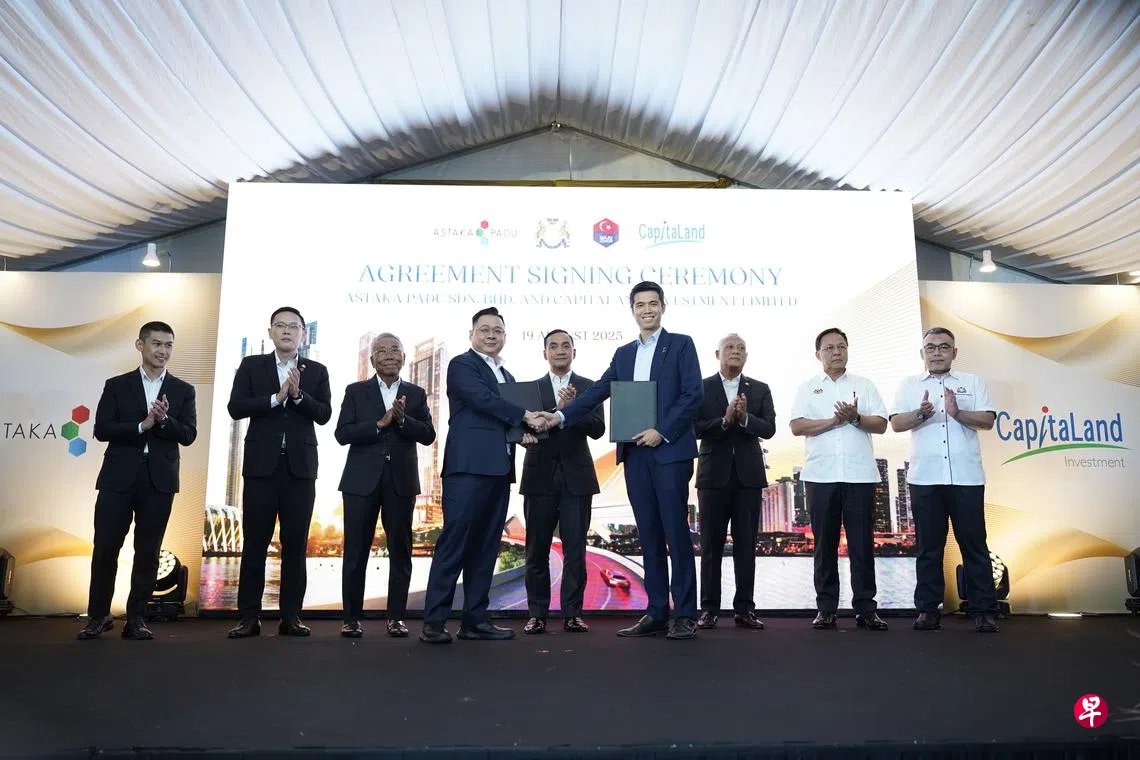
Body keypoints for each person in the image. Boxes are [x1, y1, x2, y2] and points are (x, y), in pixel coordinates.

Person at [538, 281, 703, 640]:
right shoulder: (624, 353)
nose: (647, 310)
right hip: (635, 453)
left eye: (653, 304)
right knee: (648, 534)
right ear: (633, 311)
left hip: (669, 451)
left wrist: (662, 431)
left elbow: (693, 395)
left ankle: (685, 614)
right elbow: (599, 390)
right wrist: (560, 416)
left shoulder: (681, 345)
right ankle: (656, 612)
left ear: (663, 307)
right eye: (640, 305)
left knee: (676, 533)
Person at [420, 307, 548, 644]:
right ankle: (434, 622)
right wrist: (525, 416)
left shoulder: (508, 375)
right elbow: (482, 400)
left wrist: (523, 434)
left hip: (499, 470)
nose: (491, 335)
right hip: (467, 468)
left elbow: (504, 422)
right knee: (455, 542)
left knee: (487, 547)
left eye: (497, 330)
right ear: (472, 334)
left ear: (505, 336)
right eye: (485, 329)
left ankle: (475, 621)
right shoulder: (462, 365)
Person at [78, 321, 197, 640]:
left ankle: (137, 619)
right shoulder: (117, 385)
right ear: (140, 345)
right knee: (105, 547)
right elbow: (102, 429)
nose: (163, 351)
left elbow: (188, 435)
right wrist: (142, 425)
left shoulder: (183, 390)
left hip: (159, 481)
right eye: (157, 343)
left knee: (148, 551)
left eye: (168, 345)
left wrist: (165, 420)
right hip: (118, 478)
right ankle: (98, 617)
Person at [226, 307, 332, 639]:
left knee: (295, 545)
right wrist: (276, 398)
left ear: (303, 334)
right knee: (254, 544)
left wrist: (298, 396)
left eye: (293, 326)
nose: (287, 331)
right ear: (270, 331)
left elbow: (324, 413)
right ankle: (248, 617)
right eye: (280, 325)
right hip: (261, 468)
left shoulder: (316, 371)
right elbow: (236, 407)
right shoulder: (251, 366)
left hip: (300, 470)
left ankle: (291, 617)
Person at [890, 327, 1000, 633]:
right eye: (931, 347)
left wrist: (957, 413)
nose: (937, 352)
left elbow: (988, 420)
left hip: (966, 477)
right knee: (928, 547)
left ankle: (984, 611)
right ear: (922, 353)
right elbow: (896, 423)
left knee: (974, 545)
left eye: (943, 346)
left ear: (954, 352)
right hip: (925, 478)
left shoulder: (972, 382)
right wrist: (922, 414)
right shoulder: (909, 385)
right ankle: (928, 610)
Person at [334, 333, 435, 638]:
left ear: (403, 357)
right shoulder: (355, 391)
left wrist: (403, 422)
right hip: (360, 482)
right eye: (382, 351)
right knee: (355, 552)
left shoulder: (416, 394)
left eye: (395, 350)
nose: (389, 355)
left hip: (401, 482)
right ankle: (351, 619)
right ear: (372, 359)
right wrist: (379, 424)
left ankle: (396, 618)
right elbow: (342, 433)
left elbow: (428, 434)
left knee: (400, 552)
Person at [789, 327, 889, 631]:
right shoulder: (808, 387)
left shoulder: (864, 385)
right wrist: (834, 421)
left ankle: (866, 608)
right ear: (818, 354)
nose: (836, 352)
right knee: (824, 545)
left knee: (862, 544)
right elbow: (797, 426)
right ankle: (826, 608)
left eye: (841, 346)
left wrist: (855, 418)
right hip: (820, 476)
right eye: (830, 347)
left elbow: (881, 424)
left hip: (860, 475)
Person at [519, 329, 605, 635]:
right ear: (545, 353)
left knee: (576, 550)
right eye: (553, 346)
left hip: (577, 478)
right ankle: (537, 614)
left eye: (565, 345)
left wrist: (571, 410)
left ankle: (572, 614)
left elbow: (598, 429)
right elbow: (520, 429)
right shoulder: (531, 389)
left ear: (574, 351)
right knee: (536, 550)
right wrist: (524, 434)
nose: (559, 350)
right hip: (538, 476)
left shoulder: (589, 387)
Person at [692, 333, 774, 630]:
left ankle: (745, 609)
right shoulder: (701, 388)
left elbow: (769, 428)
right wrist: (725, 421)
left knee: (746, 546)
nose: (735, 351)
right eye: (729, 347)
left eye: (741, 348)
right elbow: (694, 427)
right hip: (713, 477)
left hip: (748, 478)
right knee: (710, 546)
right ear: (718, 354)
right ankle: (709, 609)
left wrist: (745, 418)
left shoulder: (760, 388)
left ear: (746, 356)